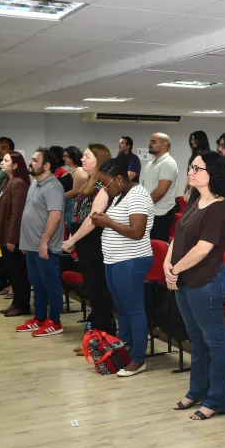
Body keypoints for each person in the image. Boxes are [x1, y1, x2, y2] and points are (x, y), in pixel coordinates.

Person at [167, 152, 225, 419]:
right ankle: (196, 390)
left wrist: (174, 270)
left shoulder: (219, 207)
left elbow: (203, 249)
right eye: (191, 167)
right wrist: (167, 265)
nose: (191, 171)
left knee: (214, 340)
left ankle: (216, 399)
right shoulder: (195, 200)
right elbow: (177, 238)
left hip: (205, 280)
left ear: (213, 174)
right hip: (184, 278)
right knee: (196, 339)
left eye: (198, 168)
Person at [92, 156, 155, 377]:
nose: (104, 188)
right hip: (115, 260)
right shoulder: (120, 195)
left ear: (118, 179)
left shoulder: (138, 195)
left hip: (131, 260)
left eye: (105, 183)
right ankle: (125, 350)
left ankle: (138, 358)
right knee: (123, 310)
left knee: (134, 310)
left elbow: (137, 232)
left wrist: (108, 222)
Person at [62, 144, 116, 338]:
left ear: (99, 160)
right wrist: (74, 238)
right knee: (92, 290)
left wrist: (72, 240)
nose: (82, 159)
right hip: (86, 243)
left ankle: (103, 336)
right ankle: (95, 336)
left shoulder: (103, 186)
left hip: (95, 243)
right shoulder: (90, 182)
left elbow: (92, 219)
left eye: (87, 156)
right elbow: (80, 215)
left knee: (98, 290)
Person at [14, 147, 66, 338]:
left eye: (35, 160)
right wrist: (25, 242)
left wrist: (44, 242)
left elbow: (55, 216)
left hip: (46, 247)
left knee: (50, 284)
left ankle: (55, 321)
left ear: (47, 165)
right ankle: (40, 318)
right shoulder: (35, 184)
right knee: (37, 283)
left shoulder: (53, 187)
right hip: (31, 246)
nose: (30, 162)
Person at [0, 151, 31, 318]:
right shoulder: (7, 181)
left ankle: (22, 305)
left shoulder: (19, 184)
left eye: (6, 161)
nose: (2, 163)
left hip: (13, 237)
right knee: (12, 271)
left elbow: (17, 213)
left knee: (18, 272)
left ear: (15, 165)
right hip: (5, 233)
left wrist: (12, 238)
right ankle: (16, 303)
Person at [140, 132, 179, 242]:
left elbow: (161, 191)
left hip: (161, 213)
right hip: (150, 211)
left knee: (158, 246)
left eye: (153, 142)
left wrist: (144, 205)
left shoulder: (168, 163)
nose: (150, 144)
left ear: (164, 145)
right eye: (150, 141)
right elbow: (144, 186)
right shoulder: (150, 163)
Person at [62, 146, 88, 232]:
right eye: (63, 156)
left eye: (66, 156)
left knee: (71, 228)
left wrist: (59, 197)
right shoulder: (68, 170)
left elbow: (76, 190)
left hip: (72, 203)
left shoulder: (79, 170)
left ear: (73, 156)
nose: (64, 158)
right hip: (65, 202)